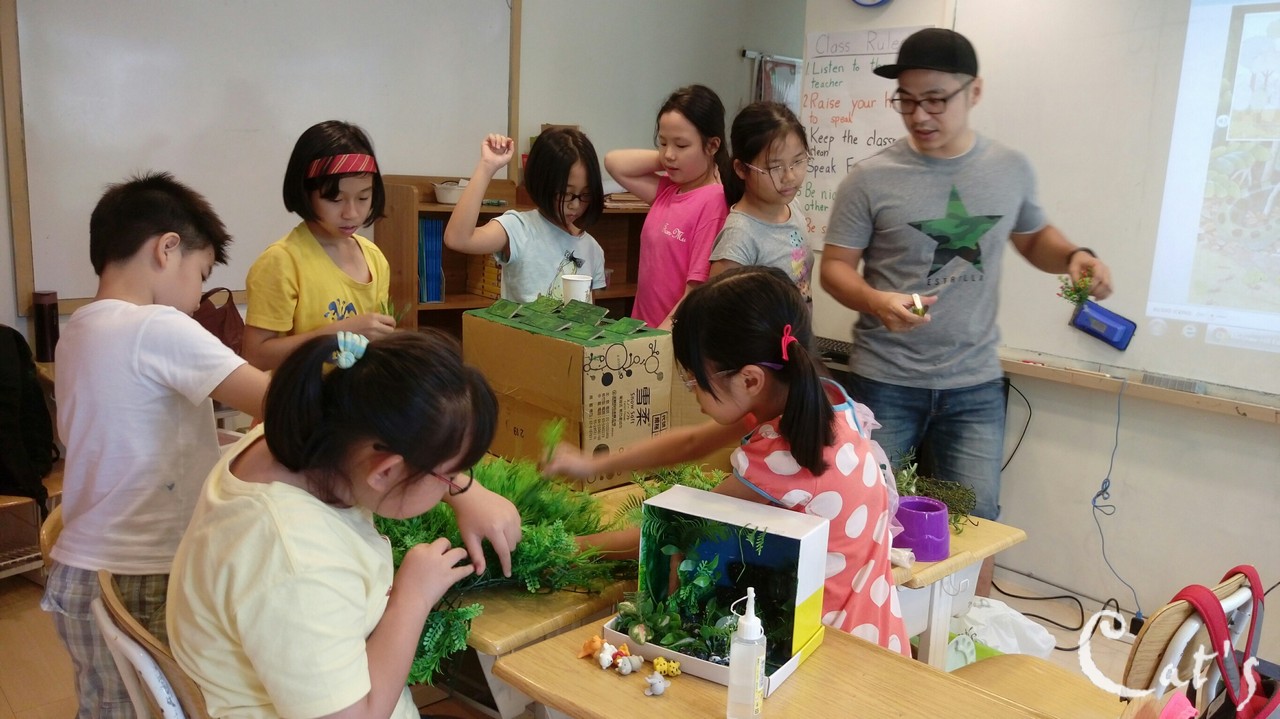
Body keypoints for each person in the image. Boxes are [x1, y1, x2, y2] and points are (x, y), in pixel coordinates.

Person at [819, 28, 1113, 521]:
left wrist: (1072, 256)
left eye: (935, 99)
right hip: (886, 380)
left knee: (977, 521)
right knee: (868, 515)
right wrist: (876, 301)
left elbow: (1033, 239)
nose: (919, 115)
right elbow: (834, 268)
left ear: (974, 91)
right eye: (906, 100)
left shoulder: (1009, 169)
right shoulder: (869, 179)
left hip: (974, 385)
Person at [545, 266, 909, 655]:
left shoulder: (782, 458)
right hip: (875, 624)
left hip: (831, 648)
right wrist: (592, 465)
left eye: (694, 381)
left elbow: (673, 533)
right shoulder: (818, 402)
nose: (693, 393)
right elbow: (691, 443)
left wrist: (567, 547)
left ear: (750, 380)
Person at [167, 331, 523, 718]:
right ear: (385, 472)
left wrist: (466, 492)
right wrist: (413, 597)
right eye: (449, 476)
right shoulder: (296, 562)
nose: (454, 485)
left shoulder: (294, 440)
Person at [41, 172, 272, 719]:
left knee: (108, 707)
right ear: (167, 248)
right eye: (201, 275)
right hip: (138, 570)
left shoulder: (77, 332)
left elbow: (122, 430)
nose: (197, 298)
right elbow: (282, 403)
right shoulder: (158, 326)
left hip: (83, 568)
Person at [243, 120, 396, 371]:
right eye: (335, 199)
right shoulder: (282, 261)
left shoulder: (374, 258)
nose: (351, 213)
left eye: (363, 197)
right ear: (306, 193)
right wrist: (337, 334)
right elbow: (256, 357)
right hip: (300, 395)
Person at [605, 84, 731, 329]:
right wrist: (666, 156)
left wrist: (659, 340)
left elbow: (695, 291)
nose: (669, 154)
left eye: (681, 145)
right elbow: (614, 163)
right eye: (662, 143)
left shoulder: (714, 202)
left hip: (670, 338)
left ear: (712, 146)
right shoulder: (669, 190)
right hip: (641, 331)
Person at [444, 128, 607, 302]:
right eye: (566, 193)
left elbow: (589, 312)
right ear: (542, 183)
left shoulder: (592, 248)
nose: (575, 205)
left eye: (586, 194)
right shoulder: (518, 228)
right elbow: (457, 239)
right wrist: (486, 166)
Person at [711, 101, 814, 301]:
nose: (789, 177)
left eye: (797, 161)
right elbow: (717, 311)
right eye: (775, 168)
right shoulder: (739, 237)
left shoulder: (791, 205)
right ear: (741, 169)